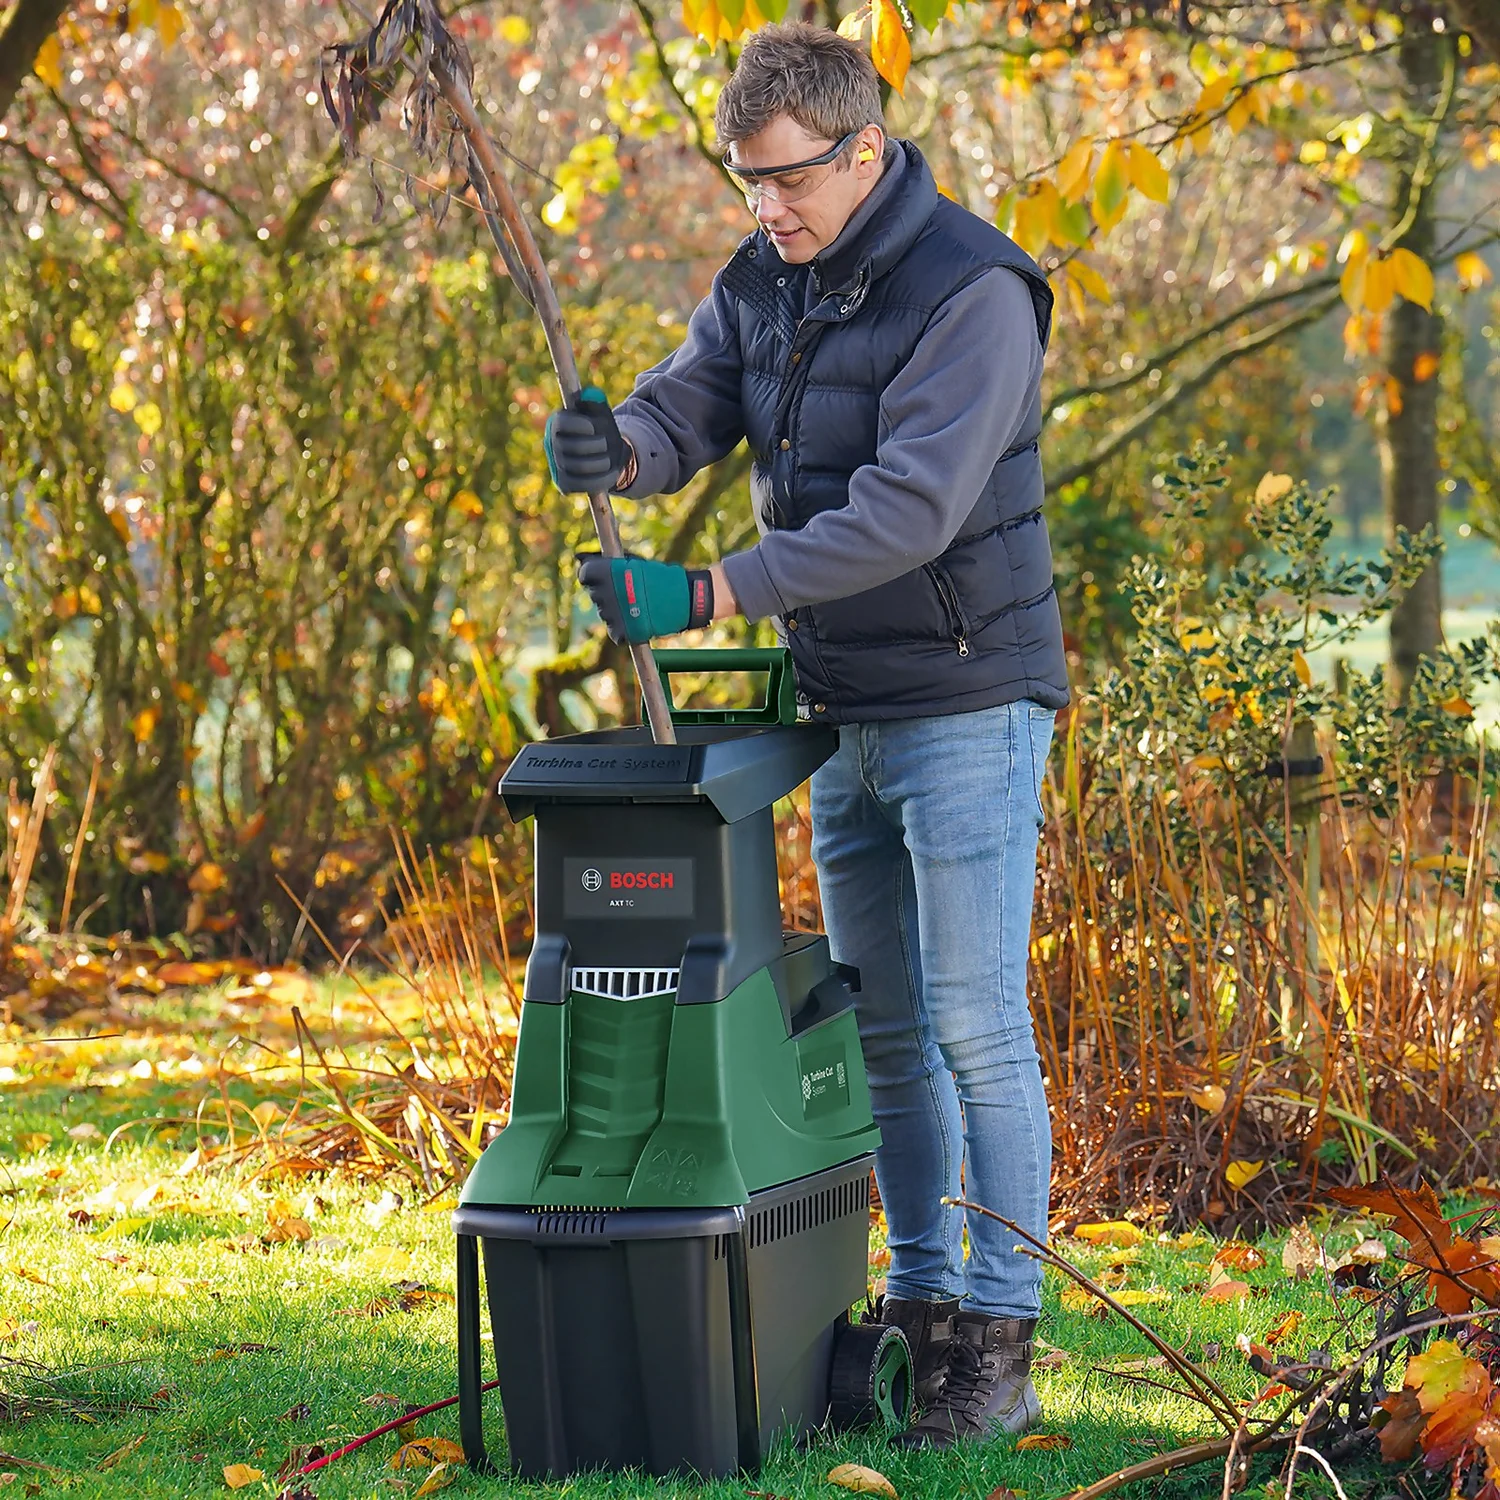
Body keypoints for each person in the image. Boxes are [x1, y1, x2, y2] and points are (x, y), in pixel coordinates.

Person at [543, 20, 1068, 1450]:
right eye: (745, 182)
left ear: (864, 151)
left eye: (783, 181)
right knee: (883, 1030)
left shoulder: (977, 292)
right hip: (842, 709)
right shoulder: (765, 277)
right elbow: (694, 397)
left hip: (968, 697)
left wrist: (709, 591)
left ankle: (1001, 1339)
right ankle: (924, 1297)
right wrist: (626, 447)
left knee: (973, 1025)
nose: (763, 209)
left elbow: (908, 511)